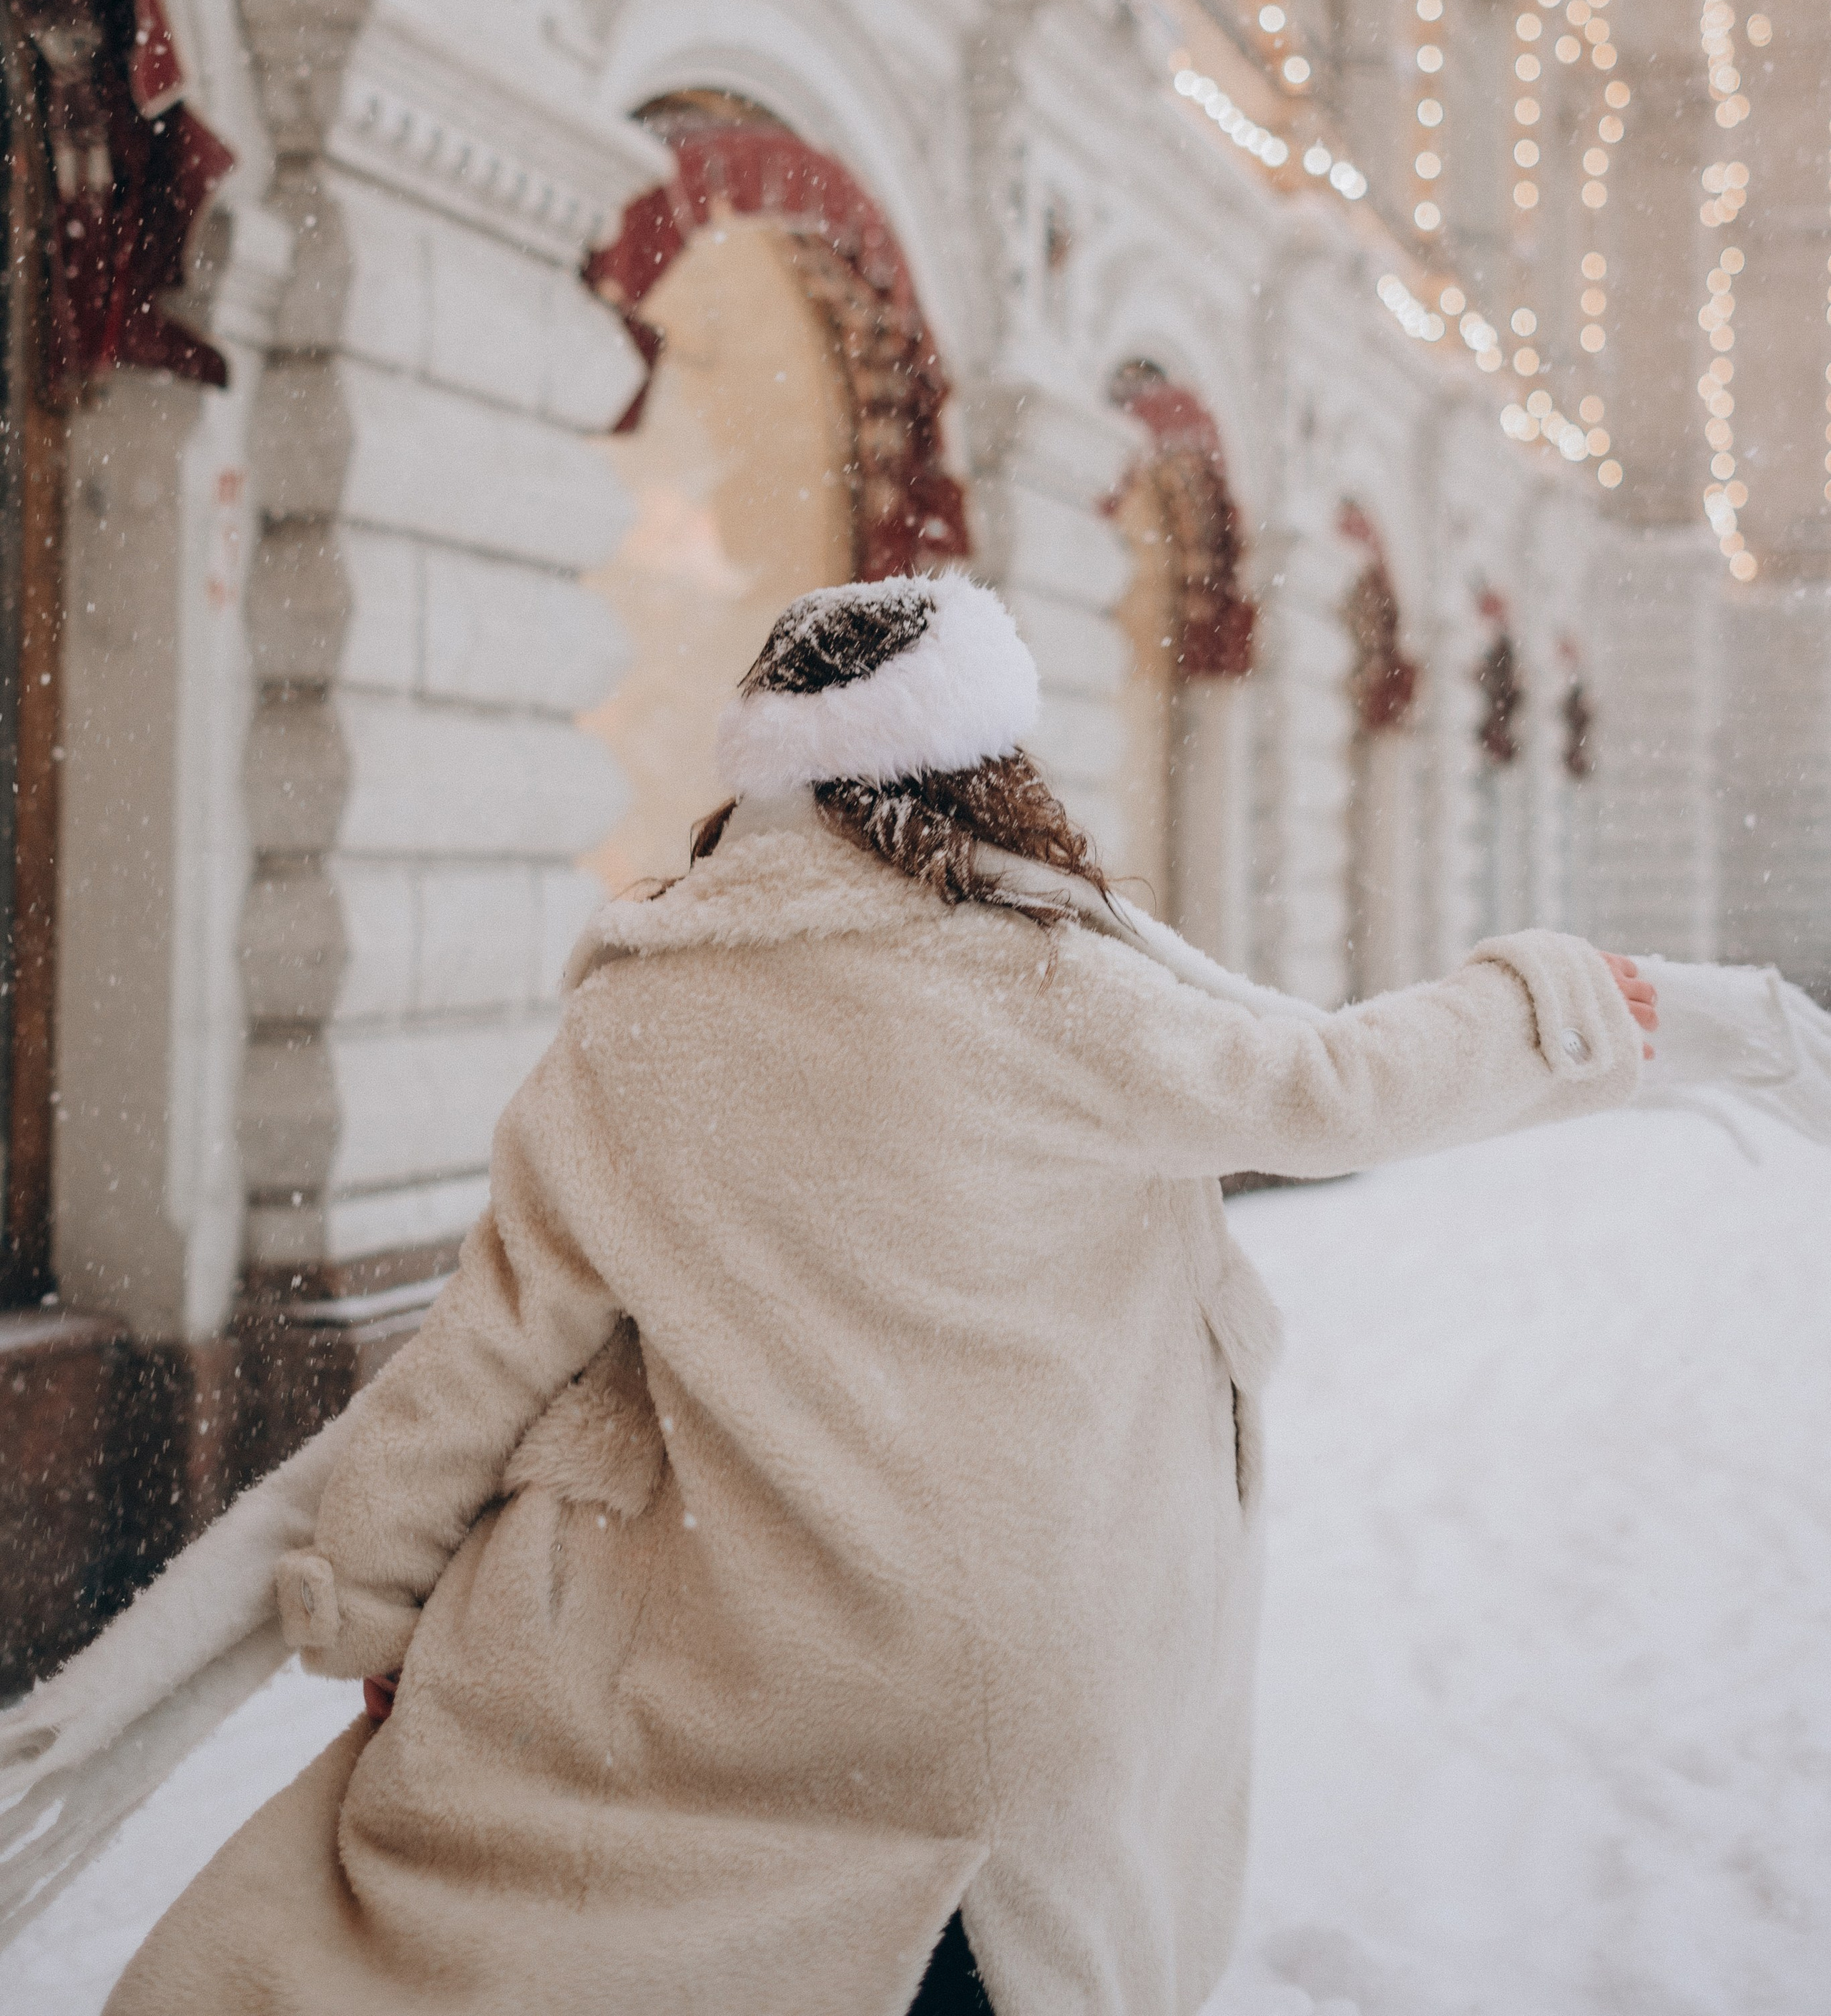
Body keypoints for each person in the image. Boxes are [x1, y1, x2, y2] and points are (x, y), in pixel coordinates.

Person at [94, 572, 1655, 2015]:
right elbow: (1337, 1091)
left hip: (738, 1678)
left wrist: (368, 1594)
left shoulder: (643, 1019)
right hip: (1022, 1684)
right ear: (988, 759)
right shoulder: (1058, 985)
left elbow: (481, 1359)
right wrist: (1552, 1006)